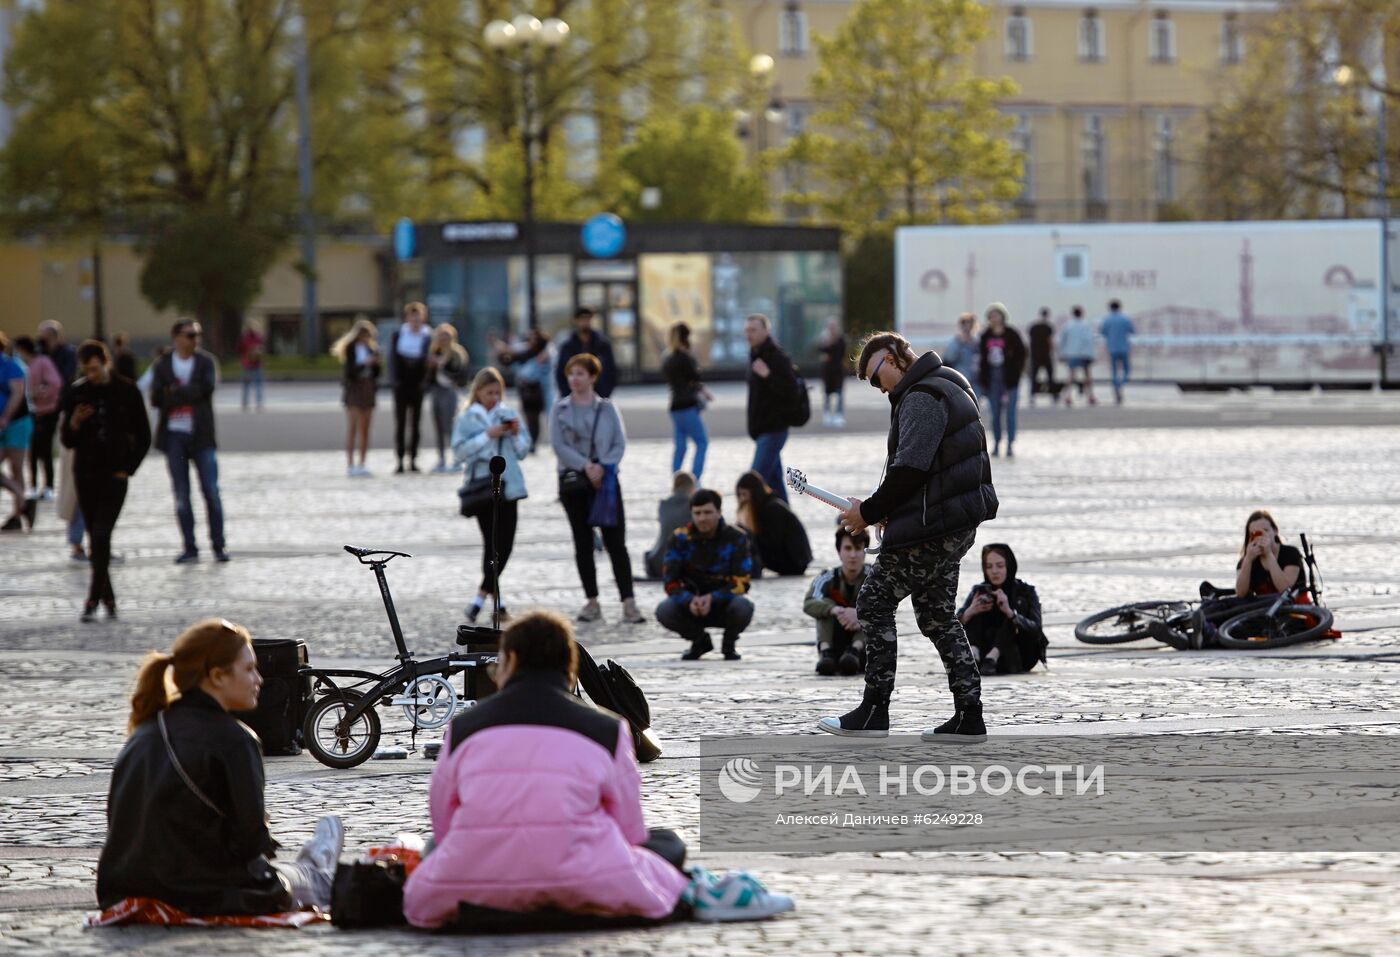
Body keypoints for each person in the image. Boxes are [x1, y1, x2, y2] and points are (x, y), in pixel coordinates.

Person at [402, 611, 793, 928]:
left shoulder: (462, 729)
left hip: (474, 878)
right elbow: (632, 832)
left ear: (512, 663)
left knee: (435, 849)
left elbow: (443, 825)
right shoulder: (607, 729)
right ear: (571, 672)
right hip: (585, 878)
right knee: (667, 843)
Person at [97, 619, 344, 915]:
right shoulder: (235, 739)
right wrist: (261, 824)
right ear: (217, 676)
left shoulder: (144, 732)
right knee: (312, 880)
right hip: (210, 894)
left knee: (299, 873)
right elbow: (250, 844)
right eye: (249, 669)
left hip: (124, 887)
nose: (259, 680)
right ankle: (316, 864)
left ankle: (314, 862)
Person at [822, 332, 997, 741]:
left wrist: (868, 512)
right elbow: (930, 472)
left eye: (874, 375)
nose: (877, 386)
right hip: (950, 522)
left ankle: (874, 710)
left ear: (892, 356)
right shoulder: (949, 383)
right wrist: (885, 512)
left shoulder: (921, 396)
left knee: (873, 600)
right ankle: (969, 715)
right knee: (937, 616)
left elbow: (910, 472)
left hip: (934, 527)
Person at [59, 341, 151, 621]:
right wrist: (74, 422)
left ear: (105, 362)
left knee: (101, 533)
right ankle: (108, 597)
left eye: (96, 369)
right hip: (85, 475)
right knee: (96, 538)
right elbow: (66, 439)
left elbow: (144, 436)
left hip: (115, 474)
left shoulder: (126, 391)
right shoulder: (78, 392)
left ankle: (91, 599)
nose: (92, 375)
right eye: (87, 370)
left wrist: (128, 467)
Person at [550, 353, 644, 624]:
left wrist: (603, 466)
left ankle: (628, 601)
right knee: (583, 542)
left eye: (580, 373)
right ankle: (592, 601)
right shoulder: (561, 409)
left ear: (592, 377)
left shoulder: (607, 408)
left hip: (606, 483)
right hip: (574, 482)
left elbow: (619, 442)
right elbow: (558, 446)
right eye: (571, 374)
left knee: (616, 542)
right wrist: (585, 466)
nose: (575, 379)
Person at [453, 367, 531, 624]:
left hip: (509, 486)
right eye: (489, 393)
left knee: (505, 545)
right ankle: (497, 603)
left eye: (498, 393)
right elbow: (460, 452)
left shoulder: (508, 414)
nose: (494, 398)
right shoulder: (467, 418)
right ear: (478, 392)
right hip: (482, 487)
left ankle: (480, 597)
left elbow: (523, 451)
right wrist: (487, 435)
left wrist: (516, 434)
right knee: (491, 544)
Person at [150, 320, 228, 563]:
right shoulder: (163, 364)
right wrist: (182, 393)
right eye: (190, 335)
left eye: (198, 334)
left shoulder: (206, 362)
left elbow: (206, 389)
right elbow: (156, 398)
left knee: (211, 492)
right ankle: (190, 547)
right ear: (176, 337)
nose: (196, 339)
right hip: (174, 437)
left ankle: (218, 545)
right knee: (182, 494)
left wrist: (174, 392)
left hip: (202, 436)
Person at [656, 488, 755, 661]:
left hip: (724, 603)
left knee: (744, 606)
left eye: (708, 512)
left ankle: (729, 644)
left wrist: (712, 598)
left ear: (719, 512)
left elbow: (742, 582)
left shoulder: (737, 537)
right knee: (664, 610)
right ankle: (700, 641)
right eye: (697, 513)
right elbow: (669, 581)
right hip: (690, 605)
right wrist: (689, 599)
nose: (702, 518)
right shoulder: (679, 538)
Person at [958, 544, 1046, 675]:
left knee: (1014, 613)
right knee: (975, 608)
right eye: (989, 566)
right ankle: (974, 655)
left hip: (1020, 654)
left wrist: (1010, 612)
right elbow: (954, 624)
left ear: (1008, 566)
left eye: (999, 566)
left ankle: (992, 657)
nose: (994, 571)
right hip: (983, 653)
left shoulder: (1025, 591)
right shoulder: (980, 590)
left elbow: (1036, 628)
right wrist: (970, 612)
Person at [744, 313, 799, 503]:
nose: (748, 334)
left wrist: (768, 375)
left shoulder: (777, 357)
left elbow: (791, 391)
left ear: (766, 331)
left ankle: (746, 528)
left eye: (753, 330)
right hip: (761, 432)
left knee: (753, 483)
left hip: (773, 430)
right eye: (747, 330)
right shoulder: (755, 356)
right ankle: (788, 527)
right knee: (776, 489)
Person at [804, 528, 871, 677]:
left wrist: (858, 614)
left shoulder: (874, 577)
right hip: (836, 639)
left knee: (873, 607)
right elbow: (809, 602)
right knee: (824, 603)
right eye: (847, 548)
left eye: (858, 549)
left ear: (865, 552)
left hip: (864, 647)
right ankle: (825, 652)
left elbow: (888, 606)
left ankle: (854, 650)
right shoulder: (827, 577)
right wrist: (836, 610)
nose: (852, 555)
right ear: (839, 551)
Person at [735, 470, 811, 577]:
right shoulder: (764, 507)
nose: (742, 499)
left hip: (794, 562)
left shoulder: (772, 508)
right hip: (789, 559)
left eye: (744, 494)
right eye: (740, 495)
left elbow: (773, 542)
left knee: (746, 535)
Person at [662, 321, 712, 481]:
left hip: (674, 405)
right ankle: (695, 478)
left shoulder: (668, 358)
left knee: (680, 446)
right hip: (688, 405)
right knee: (701, 442)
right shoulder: (685, 358)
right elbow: (695, 377)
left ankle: (676, 478)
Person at [14, 335, 61, 502]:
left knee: (45, 451)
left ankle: (48, 486)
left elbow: (55, 383)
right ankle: (33, 486)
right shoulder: (22, 365)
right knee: (32, 451)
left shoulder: (42, 362)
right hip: (31, 413)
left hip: (46, 412)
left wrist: (39, 395)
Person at [331, 318, 380, 477]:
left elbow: (378, 373)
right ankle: (350, 463)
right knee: (353, 427)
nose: (366, 339)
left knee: (365, 429)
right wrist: (364, 363)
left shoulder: (372, 350)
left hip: (368, 390)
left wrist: (375, 364)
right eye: (363, 335)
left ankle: (362, 462)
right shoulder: (351, 349)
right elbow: (349, 372)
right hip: (354, 391)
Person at [977, 303, 1026, 458]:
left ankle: (1010, 444)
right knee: (995, 413)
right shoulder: (985, 335)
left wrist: (1017, 370)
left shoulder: (1011, 333)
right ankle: (997, 442)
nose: (993, 318)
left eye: (995, 315)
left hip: (1009, 379)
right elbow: (982, 358)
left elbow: (1022, 353)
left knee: (1010, 414)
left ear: (1002, 316)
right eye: (990, 316)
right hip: (992, 379)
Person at [391, 301, 434, 473]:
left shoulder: (427, 337)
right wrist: (394, 381)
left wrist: (425, 381)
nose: (415, 320)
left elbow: (428, 360)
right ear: (407, 318)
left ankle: (413, 459)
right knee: (400, 423)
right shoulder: (398, 335)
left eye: (418, 317)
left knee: (416, 423)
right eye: (412, 316)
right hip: (402, 385)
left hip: (417, 385)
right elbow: (393, 360)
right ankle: (400, 459)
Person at [496, 328, 554, 452]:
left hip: (540, 389)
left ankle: (536, 441)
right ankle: (531, 441)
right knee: (529, 417)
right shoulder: (526, 351)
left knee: (539, 416)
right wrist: (504, 352)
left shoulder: (546, 352)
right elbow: (510, 359)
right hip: (526, 390)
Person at [0, 332, 33, 531]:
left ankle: (18, 513)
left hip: (16, 423)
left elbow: (17, 393)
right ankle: (23, 500)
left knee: (16, 467)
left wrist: (6, 418)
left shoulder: (11, 366)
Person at [427, 324, 470, 473]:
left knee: (450, 426)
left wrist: (444, 365)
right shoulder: (434, 351)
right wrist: (432, 366)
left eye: (446, 336)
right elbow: (427, 376)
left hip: (450, 391)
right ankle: (441, 459)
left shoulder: (457, 353)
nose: (443, 339)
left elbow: (460, 374)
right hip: (436, 391)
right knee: (438, 425)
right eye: (441, 336)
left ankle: (457, 459)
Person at [553, 307, 617, 399]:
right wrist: (566, 393)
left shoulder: (602, 345)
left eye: (587, 319)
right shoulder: (567, 347)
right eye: (582, 319)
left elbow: (611, 370)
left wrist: (606, 392)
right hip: (573, 396)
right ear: (576, 321)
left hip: (599, 394)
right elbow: (561, 371)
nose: (585, 322)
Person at [644, 470, 696, 579]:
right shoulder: (695, 507)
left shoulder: (663, 505)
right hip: (679, 565)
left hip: (656, 563)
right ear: (691, 487)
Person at [1099, 299, 1137, 405]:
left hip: (1112, 348)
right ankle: (1121, 382)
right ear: (1120, 307)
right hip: (1124, 347)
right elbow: (1133, 331)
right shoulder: (1125, 319)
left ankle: (1116, 386)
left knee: (1114, 370)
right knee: (1126, 368)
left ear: (1110, 308)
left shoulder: (1106, 320)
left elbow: (1103, 332)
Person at [1058, 306, 1097, 406]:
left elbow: (1062, 341)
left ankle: (1067, 396)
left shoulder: (1068, 326)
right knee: (1087, 376)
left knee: (1071, 376)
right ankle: (1091, 396)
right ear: (1082, 314)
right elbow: (1089, 341)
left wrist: (1062, 354)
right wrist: (1092, 355)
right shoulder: (1086, 325)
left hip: (1071, 353)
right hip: (1084, 354)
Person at [817, 316, 848, 427]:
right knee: (827, 393)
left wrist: (829, 349)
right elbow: (821, 350)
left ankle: (839, 415)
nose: (832, 328)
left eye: (833, 326)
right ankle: (827, 414)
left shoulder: (840, 339)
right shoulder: (824, 340)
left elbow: (840, 352)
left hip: (838, 371)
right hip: (827, 371)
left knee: (839, 393)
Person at [1026, 307, 1058, 406]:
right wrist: (1053, 351)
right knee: (1050, 375)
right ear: (1047, 315)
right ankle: (1054, 394)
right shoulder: (1048, 327)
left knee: (1034, 376)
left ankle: (1032, 395)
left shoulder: (1033, 327)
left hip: (1035, 355)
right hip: (1046, 355)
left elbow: (1030, 341)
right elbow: (1050, 341)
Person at [943, 312, 980, 399]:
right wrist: (960, 343)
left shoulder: (977, 342)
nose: (967, 329)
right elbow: (949, 358)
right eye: (964, 326)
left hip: (975, 383)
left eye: (970, 326)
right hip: (959, 381)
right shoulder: (955, 342)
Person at [238, 317, 266, 411]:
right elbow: (262, 349)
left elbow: (240, 349)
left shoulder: (245, 338)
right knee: (258, 384)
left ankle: (245, 403)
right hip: (255, 364)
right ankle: (258, 403)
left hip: (247, 363)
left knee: (247, 385)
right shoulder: (258, 337)